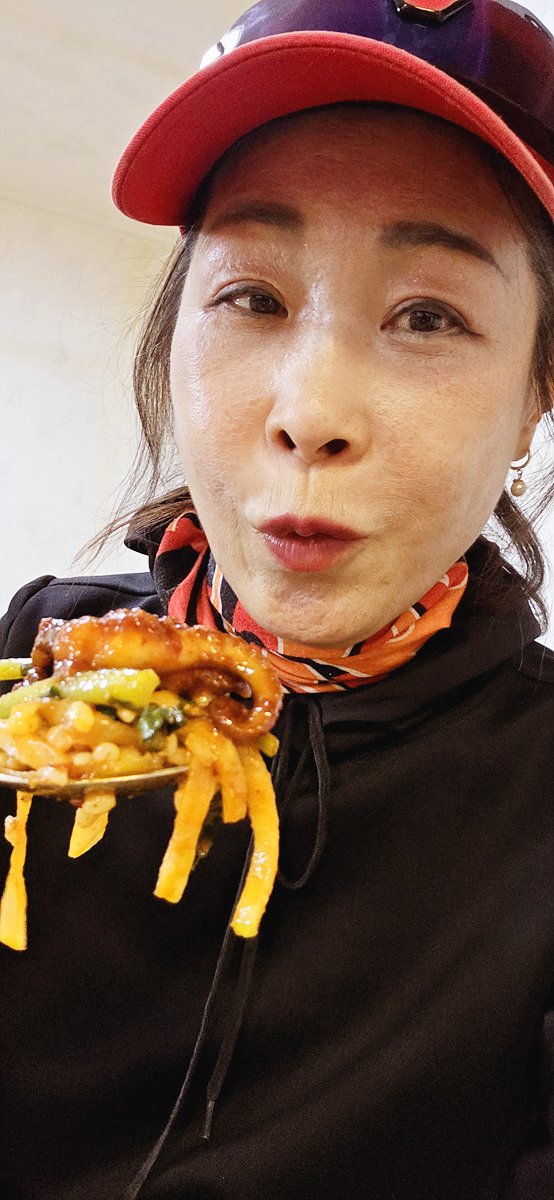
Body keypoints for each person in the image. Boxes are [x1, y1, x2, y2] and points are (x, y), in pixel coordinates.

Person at [3, 0, 554, 1195]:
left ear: (533, 394)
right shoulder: (37, 659)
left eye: (426, 315)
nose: (310, 413)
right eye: (251, 298)